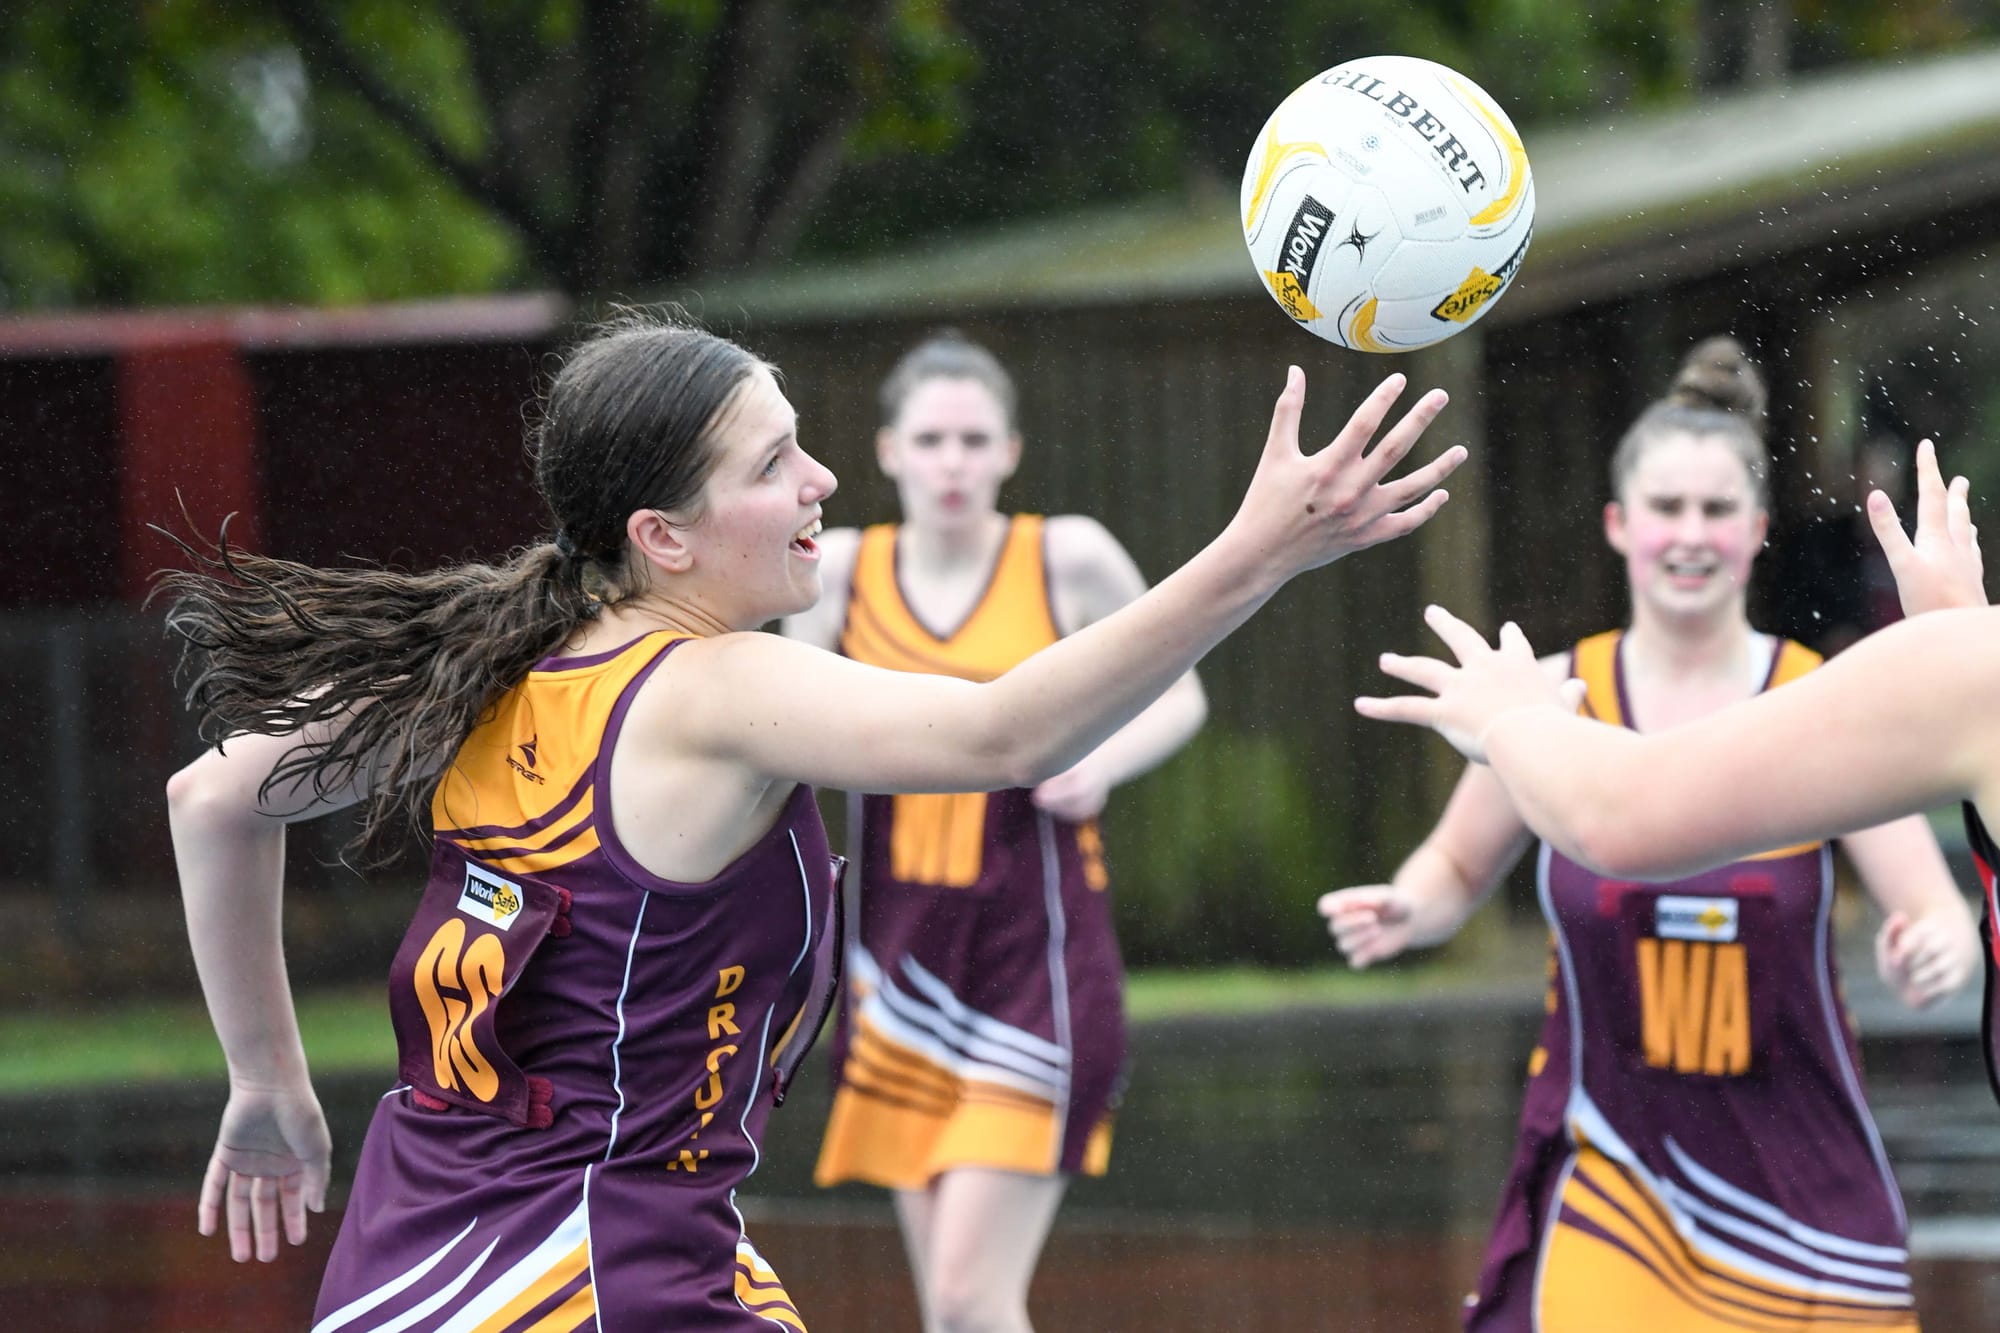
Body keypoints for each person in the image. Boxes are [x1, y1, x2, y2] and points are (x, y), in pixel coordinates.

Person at [162, 310, 1463, 1332]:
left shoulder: (490, 664)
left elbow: (215, 795)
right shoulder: (713, 688)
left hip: (413, 1263)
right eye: (776, 461)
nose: (822, 480)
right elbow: (1002, 733)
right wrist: (1260, 551)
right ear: (663, 535)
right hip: (591, 1277)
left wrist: (269, 1083)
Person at [1325, 337, 1977, 1333]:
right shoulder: (1541, 697)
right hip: (1615, 1172)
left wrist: (1938, 938)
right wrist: (1407, 903)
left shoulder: (1816, 695)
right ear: (1616, 525)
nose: (1689, 532)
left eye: (1715, 509)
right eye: (1664, 508)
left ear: (1757, 529)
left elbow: (1928, 896)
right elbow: (1456, 862)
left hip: (1797, 1177)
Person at [781, 333, 1207, 1333]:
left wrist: (1101, 761)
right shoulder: (842, 570)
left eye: (974, 439)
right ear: (886, 450)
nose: (952, 461)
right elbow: (792, 731)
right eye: (930, 438)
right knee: (951, 1310)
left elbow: (1179, 692)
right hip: (894, 968)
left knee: (973, 1299)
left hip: (1036, 964)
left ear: (1010, 451)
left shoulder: (1065, 555)